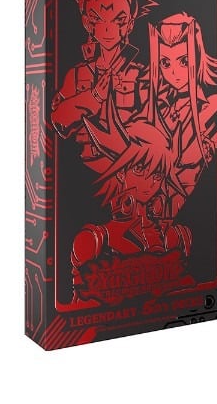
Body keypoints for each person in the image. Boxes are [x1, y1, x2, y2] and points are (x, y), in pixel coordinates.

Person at [50, 0, 159, 171]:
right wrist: (94, 97)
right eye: (99, 19)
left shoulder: (140, 74)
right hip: (84, 175)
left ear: (129, 24)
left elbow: (155, 129)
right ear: (88, 23)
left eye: (118, 20)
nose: (108, 28)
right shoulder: (77, 75)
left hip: (130, 173)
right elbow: (59, 121)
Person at [70, 97, 192, 302]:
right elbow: (80, 304)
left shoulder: (176, 237)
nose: (149, 182)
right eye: (139, 169)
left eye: (157, 175)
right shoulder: (94, 240)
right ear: (120, 172)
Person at [146, 12, 217, 214]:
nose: (174, 72)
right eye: (165, 63)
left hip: (188, 197)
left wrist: (210, 143)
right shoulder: (161, 105)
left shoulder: (211, 106)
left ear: (198, 56)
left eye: (183, 61)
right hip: (154, 194)